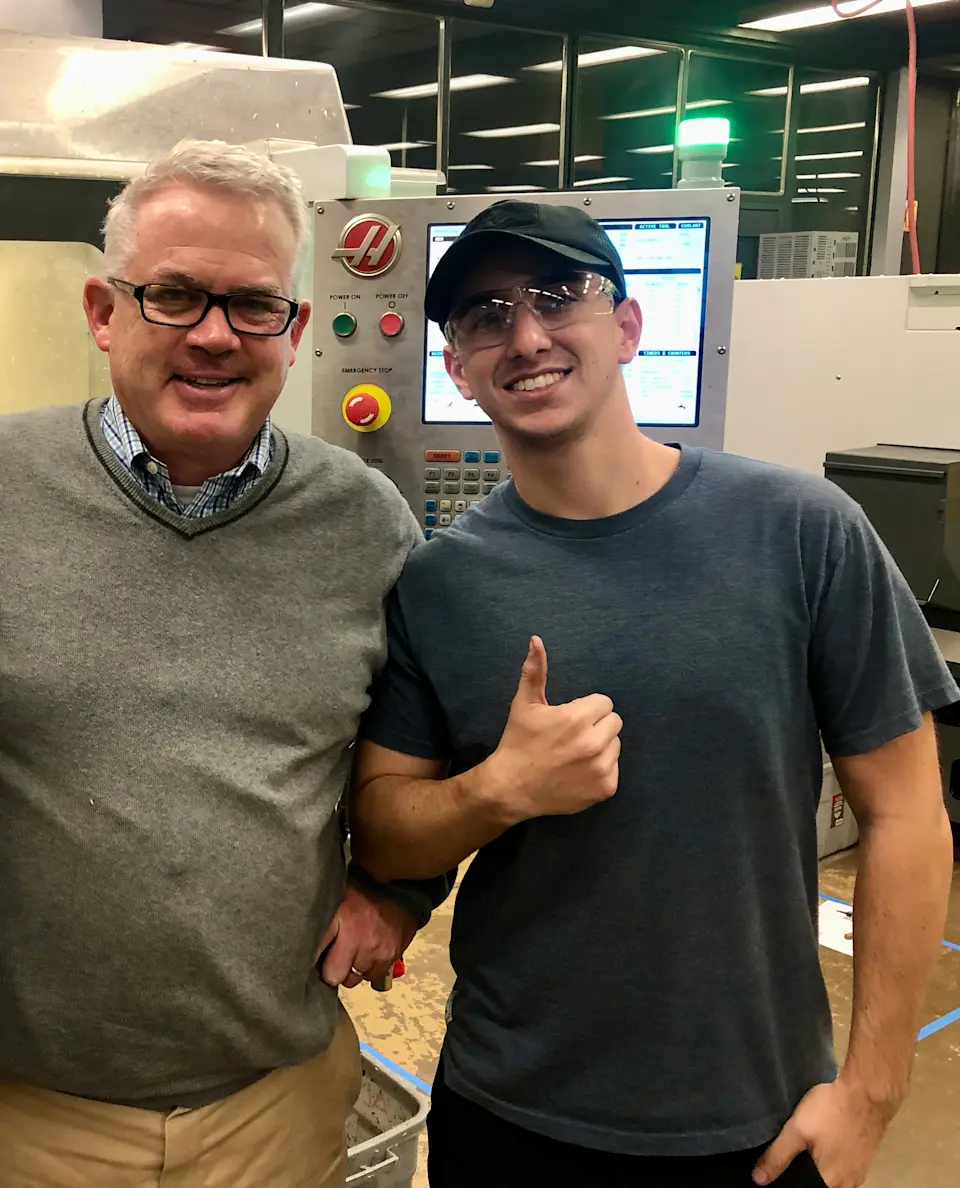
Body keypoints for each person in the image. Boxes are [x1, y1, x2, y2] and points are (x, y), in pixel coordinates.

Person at [349, 201, 959, 1188]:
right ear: (457, 368)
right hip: (508, 1116)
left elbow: (906, 813)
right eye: (486, 315)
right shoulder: (440, 584)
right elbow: (383, 834)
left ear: (629, 329)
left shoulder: (801, 532)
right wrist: (498, 789)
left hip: (755, 1126)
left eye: (558, 298)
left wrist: (872, 1092)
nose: (527, 335)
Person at [0, 139, 449, 1188]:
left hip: (274, 1104)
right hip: (27, 1108)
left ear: (294, 330)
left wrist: (398, 890)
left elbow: (425, 739)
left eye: (252, 305)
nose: (213, 335)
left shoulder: (364, 523)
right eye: (173, 296)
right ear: (105, 312)